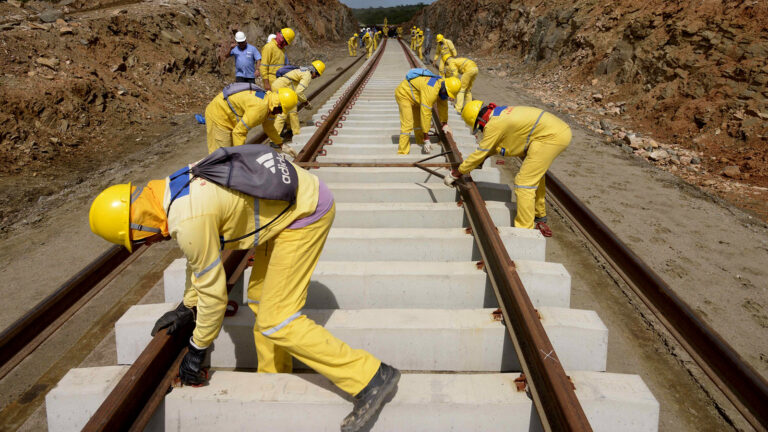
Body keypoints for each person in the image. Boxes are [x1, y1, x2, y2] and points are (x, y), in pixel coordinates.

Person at [88, 146, 401, 432]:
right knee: (259, 299)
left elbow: (214, 294)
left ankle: (371, 376)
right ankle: (275, 378)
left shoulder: (188, 218)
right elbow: (198, 259)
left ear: (138, 223)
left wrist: (197, 350)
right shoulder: (171, 189)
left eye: (139, 240)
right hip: (288, 206)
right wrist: (186, 306)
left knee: (278, 319)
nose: (148, 244)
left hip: (305, 214)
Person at [445, 102, 572, 237]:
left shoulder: (493, 124)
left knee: (524, 182)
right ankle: (539, 215)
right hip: (554, 130)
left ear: (480, 120)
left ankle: (525, 231)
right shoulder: (498, 115)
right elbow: (497, 145)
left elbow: (483, 150)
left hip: (551, 136)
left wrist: (456, 173)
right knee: (534, 175)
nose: (482, 130)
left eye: (480, 127)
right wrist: (479, 161)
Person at [203, 84, 297, 155]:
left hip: (228, 115)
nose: (280, 113)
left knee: (230, 152)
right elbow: (239, 132)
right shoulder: (260, 108)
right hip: (218, 114)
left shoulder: (271, 103)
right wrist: (241, 155)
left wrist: (281, 145)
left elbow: (269, 128)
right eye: (281, 110)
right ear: (278, 104)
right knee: (222, 154)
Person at [394, 72, 461, 155]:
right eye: (446, 94)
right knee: (408, 124)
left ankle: (420, 141)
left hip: (416, 97)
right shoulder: (431, 90)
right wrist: (426, 138)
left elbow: (443, 106)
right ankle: (402, 151)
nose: (446, 96)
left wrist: (444, 123)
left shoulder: (442, 85)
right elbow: (426, 113)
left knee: (418, 122)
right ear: (444, 88)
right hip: (404, 94)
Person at [271, 60, 325, 140]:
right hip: (282, 88)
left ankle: (290, 130)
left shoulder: (304, 70)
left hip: (279, 86)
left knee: (290, 109)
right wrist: (305, 102)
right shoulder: (307, 75)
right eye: (317, 75)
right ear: (314, 72)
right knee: (287, 111)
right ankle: (285, 135)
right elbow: (299, 92)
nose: (316, 77)